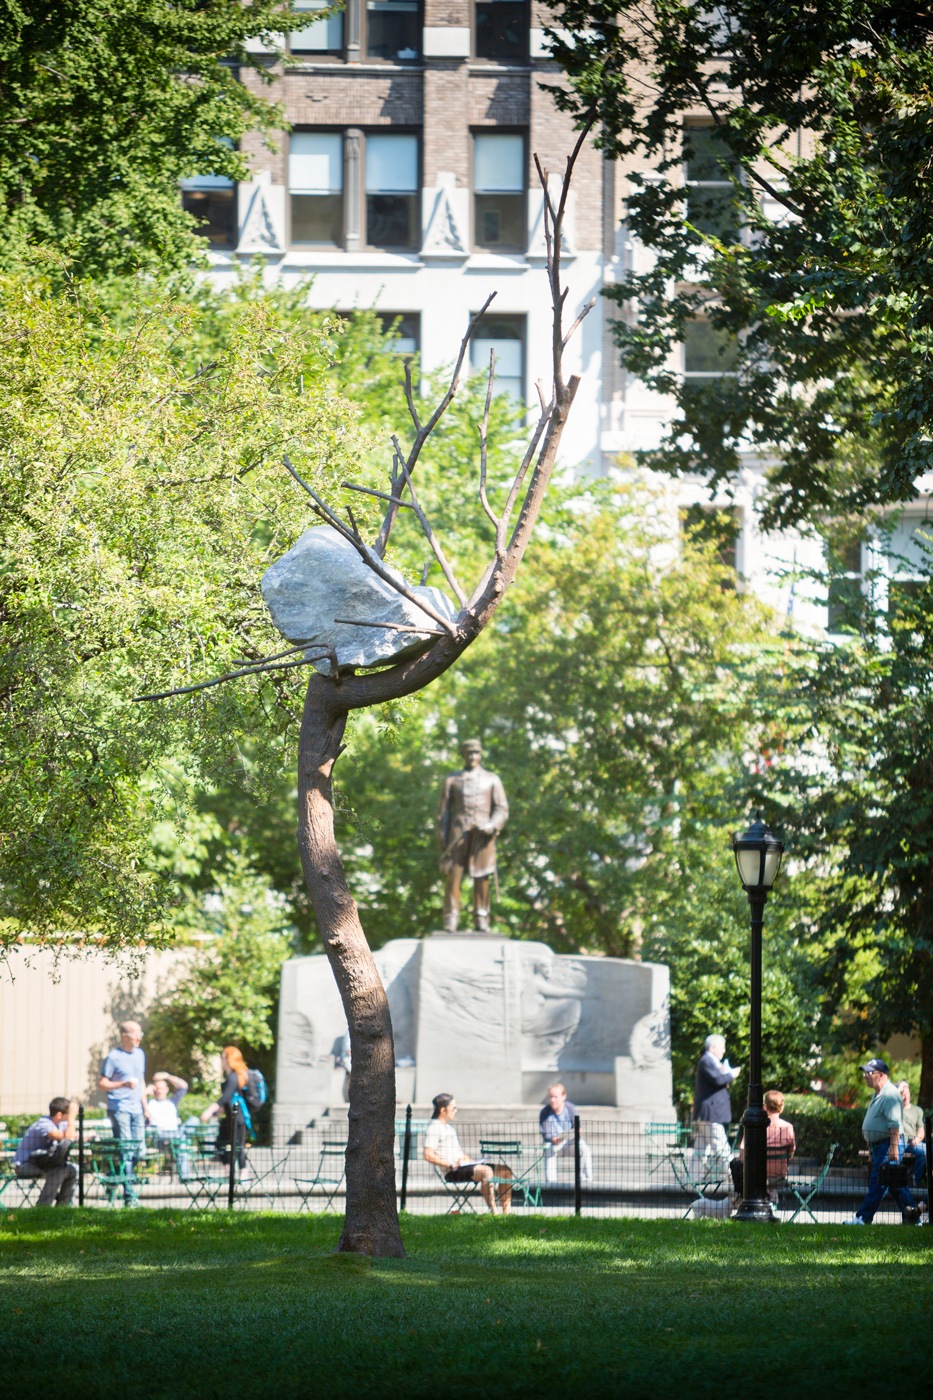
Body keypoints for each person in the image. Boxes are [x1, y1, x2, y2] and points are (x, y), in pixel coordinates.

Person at [436, 739, 508, 933]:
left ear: (481, 754)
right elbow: (443, 812)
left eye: (476, 752)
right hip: (457, 835)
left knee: (482, 876)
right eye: (469, 753)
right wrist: (442, 838)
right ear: (463, 755)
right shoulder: (452, 779)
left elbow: (502, 809)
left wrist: (491, 826)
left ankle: (482, 917)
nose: (472, 756)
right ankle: (451, 917)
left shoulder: (492, 779)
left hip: (483, 837)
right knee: (453, 877)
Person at [844, 1058, 921, 1225]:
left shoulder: (889, 1094)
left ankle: (863, 1218)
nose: (865, 1076)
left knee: (878, 1182)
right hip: (881, 1146)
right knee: (895, 1184)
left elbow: (895, 1125)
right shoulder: (878, 1093)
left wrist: (893, 1148)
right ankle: (913, 1218)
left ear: (881, 1075)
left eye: (868, 1073)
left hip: (888, 1144)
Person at [423, 1093, 511, 1214]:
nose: (456, 1111)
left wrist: (470, 1161)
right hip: (452, 1171)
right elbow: (428, 1155)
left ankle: (507, 1213)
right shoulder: (433, 1128)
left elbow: (460, 1153)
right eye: (453, 1108)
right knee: (486, 1171)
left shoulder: (449, 1128)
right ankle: (494, 1213)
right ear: (443, 1110)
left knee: (505, 1171)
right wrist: (450, 1164)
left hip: (463, 1166)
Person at [98, 1019, 148, 1205]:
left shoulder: (140, 1054)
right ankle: (129, 1195)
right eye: (136, 1034)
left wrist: (146, 1107)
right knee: (126, 1151)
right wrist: (123, 1084)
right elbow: (102, 1084)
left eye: (140, 1034)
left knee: (139, 1151)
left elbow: (141, 1081)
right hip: (119, 1109)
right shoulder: (114, 1057)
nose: (139, 1037)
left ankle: (111, 1177)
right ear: (124, 1036)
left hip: (137, 1109)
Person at [729, 1089, 796, 1201]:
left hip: (756, 1176)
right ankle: (770, 1195)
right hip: (779, 1177)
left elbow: (743, 1155)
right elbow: (791, 1152)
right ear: (782, 1107)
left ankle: (743, 1197)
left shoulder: (754, 1125)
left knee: (735, 1164)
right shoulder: (788, 1127)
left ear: (765, 1107)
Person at [13, 1097, 78, 1206]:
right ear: (59, 1115)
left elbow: (72, 1136)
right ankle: (43, 1206)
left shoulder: (61, 1124)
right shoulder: (44, 1123)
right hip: (25, 1165)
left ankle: (63, 1206)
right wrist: (72, 1118)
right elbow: (67, 1137)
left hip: (44, 1163)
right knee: (60, 1170)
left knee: (73, 1169)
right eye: (69, 1113)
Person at [201, 1045, 251, 1183]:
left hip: (238, 1118)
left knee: (239, 1145)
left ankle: (243, 1174)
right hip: (229, 1118)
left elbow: (225, 1098)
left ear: (229, 1059)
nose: (221, 1060)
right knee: (220, 1143)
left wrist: (209, 1111)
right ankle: (229, 1172)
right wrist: (218, 1112)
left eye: (223, 1057)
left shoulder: (234, 1077)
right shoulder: (231, 1077)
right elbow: (227, 1101)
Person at [691, 1034, 741, 1171]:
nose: (724, 1050)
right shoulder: (707, 1060)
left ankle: (692, 1179)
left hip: (708, 1114)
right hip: (711, 1114)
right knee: (722, 1148)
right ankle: (734, 1177)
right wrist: (732, 1074)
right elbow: (718, 1080)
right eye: (722, 1047)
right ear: (712, 1048)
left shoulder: (708, 1061)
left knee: (700, 1151)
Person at [539, 1082, 593, 1184]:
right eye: (550, 1097)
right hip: (555, 1144)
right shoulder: (545, 1112)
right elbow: (546, 1134)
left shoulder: (570, 1108)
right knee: (548, 1148)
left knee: (584, 1147)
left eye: (555, 1097)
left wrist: (577, 1132)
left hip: (569, 1142)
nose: (552, 1100)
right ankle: (551, 1183)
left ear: (563, 1096)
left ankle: (586, 1180)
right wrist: (553, 1139)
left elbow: (577, 1127)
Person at [897, 1080, 927, 1187]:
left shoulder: (918, 1110)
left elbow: (921, 1130)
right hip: (898, 1141)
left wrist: (917, 1139)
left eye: (907, 1093)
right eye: (902, 1094)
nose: (905, 1097)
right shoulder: (894, 1109)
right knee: (894, 1155)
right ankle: (895, 1181)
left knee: (926, 1151)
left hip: (912, 1142)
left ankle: (915, 1181)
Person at [146, 1071, 189, 1142]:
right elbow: (135, 1100)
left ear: (167, 1089)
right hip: (159, 1135)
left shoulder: (172, 1101)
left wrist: (167, 1076)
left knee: (194, 1120)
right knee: (180, 1138)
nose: (160, 1091)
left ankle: (180, 1139)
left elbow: (184, 1086)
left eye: (162, 1088)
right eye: (157, 1088)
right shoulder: (149, 1103)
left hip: (174, 1133)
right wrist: (146, 1091)